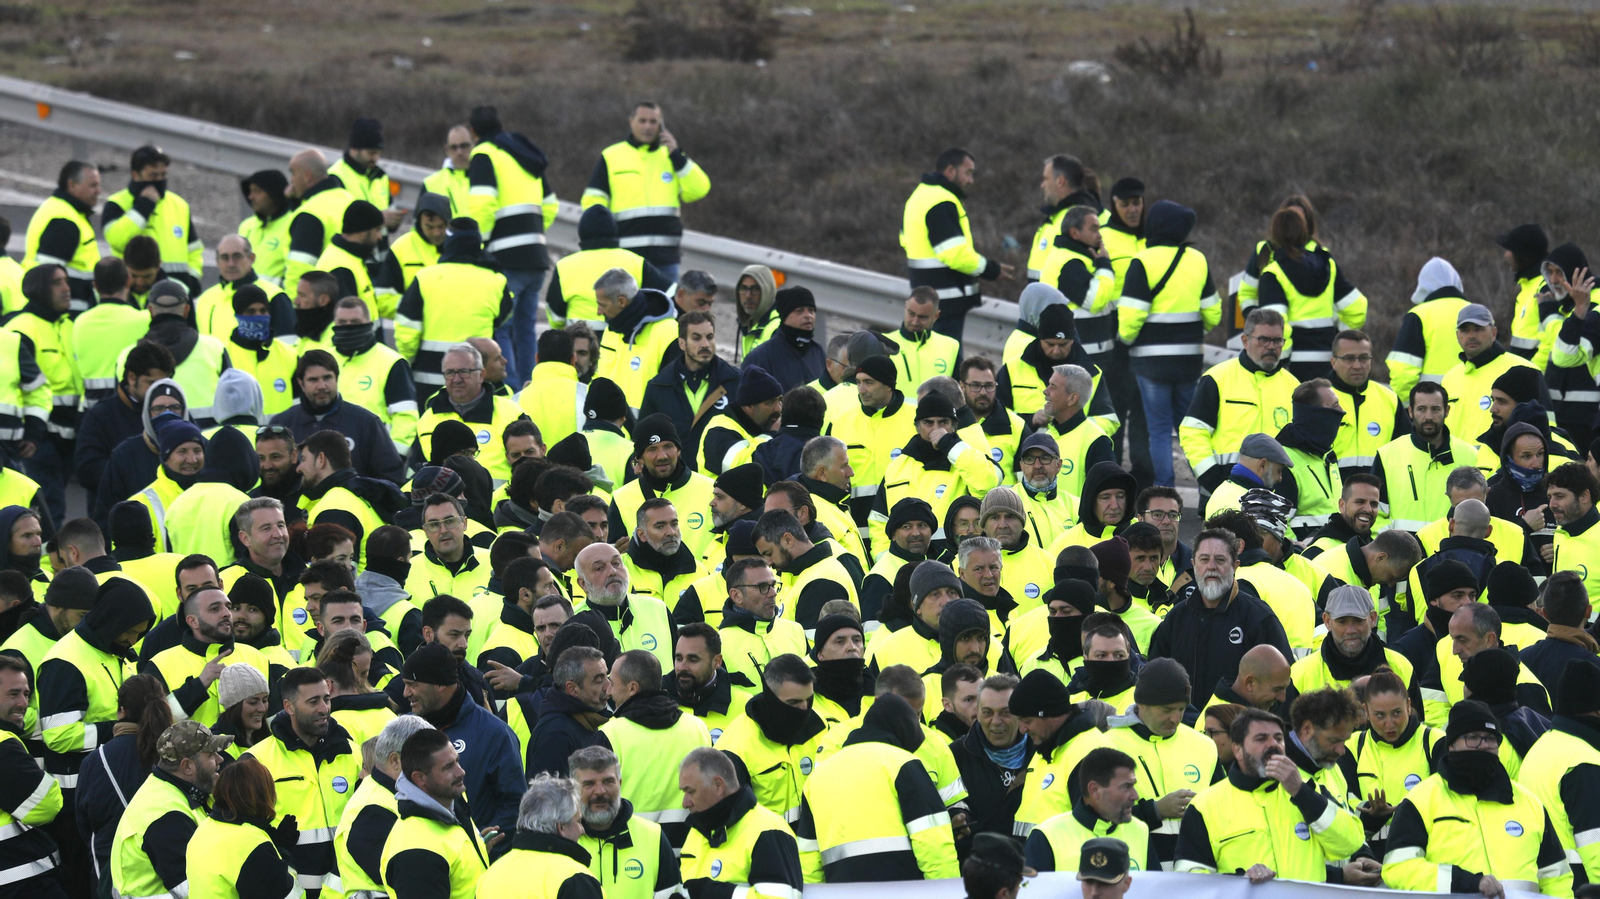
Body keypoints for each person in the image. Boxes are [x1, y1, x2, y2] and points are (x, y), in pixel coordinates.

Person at [1384, 701, 1572, 896]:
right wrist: (1465, 882)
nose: (1483, 746)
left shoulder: (1530, 804)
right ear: (1451, 744)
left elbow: (1557, 879)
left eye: (1490, 739)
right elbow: (1397, 869)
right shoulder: (1420, 802)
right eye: (1473, 738)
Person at [1173, 708, 1365, 882]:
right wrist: (1240, 882)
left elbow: (1350, 843)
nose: (1273, 744)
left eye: (1278, 738)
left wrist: (1301, 793)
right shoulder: (1205, 806)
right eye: (1261, 739)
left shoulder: (1309, 790)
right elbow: (1189, 880)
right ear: (1238, 750)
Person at [795, 693, 958, 881]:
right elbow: (934, 843)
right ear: (903, 735)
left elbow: (808, 861)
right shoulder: (903, 764)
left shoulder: (816, 779)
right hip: (904, 890)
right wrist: (947, 891)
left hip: (841, 891)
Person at [243, 667, 361, 895]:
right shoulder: (257, 762)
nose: (324, 708)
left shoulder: (354, 754)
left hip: (345, 891)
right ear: (289, 707)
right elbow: (245, 838)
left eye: (327, 699)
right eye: (313, 701)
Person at [1148, 529, 1293, 710]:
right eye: (1204, 559)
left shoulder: (1258, 618)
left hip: (1239, 725)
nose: (1211, 567)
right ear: (1193, 565)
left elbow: (1283, 691)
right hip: (1184, 725)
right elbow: (1154, 680)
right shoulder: (1176, 619)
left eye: (1220, 560)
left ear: (1235, 566)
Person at [583, 101, 709, 285]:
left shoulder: (672, 157)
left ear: (661, 125)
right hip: (625, 256)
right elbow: (593, 202)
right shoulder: (612, 156)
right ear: (631, 122)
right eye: (642, 121)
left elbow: (699, 189)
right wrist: (604, 240)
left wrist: (677, 154)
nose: (648, 127)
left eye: (653, 122)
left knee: (664, 304)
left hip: (665, 257)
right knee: (626, 303)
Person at [899, 148, 1013, 343]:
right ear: (951, 171)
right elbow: (955, 254)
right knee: (947, 358)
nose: (971, 180)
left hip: (924, 297)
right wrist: (991, 270)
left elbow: (905, 241)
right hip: (945, 301)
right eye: (968, 173)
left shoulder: (919, 196)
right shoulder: (942, 201)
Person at [108, 718, 228, 899]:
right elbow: (197, 891)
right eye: (211, 755)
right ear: (187, 766)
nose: (220, 759)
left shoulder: (172, 791)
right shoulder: (166, 817)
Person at [1181, 307, 1298, 493]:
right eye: (1263, 339)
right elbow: (1193, 432)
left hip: (1277, 496)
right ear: (1245, 340)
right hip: (1221, 490)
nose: (1271, 346)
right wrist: (1211, 479)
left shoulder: (1293, 386)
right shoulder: (1217, 378)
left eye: (1277, 340)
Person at [395, 219, 513, 396]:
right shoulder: (496, 280)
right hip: (474, 382)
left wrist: (408, 362)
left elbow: (407, 329)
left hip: (427, 379)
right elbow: (504, 317)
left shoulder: (425, 277)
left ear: (448, 243)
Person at [1250, 207, 1366, 381]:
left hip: (1294, 368)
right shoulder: (1328, 265)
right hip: (1330, 364)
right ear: (1305, 232)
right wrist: (1340, 336)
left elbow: (1275, 326)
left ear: (1275, 235)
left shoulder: (1273, 273)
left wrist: (1278, 364)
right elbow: (1357, 308)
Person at [380, 727, 494, 898]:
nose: (461, 772)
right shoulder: (416, 855)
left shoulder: (450, 809)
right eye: (448, 767)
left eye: (457, 761)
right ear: (420, 778)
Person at [268, 351, 406, 485]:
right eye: (313, 380)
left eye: (327, 378)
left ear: (337, 378)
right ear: (301, 383)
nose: (321, 386)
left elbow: (391, 476)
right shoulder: (282, 425)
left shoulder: (366, 422)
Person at [1009, 668, 1109, 838]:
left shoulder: (1091, 754)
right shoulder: (1045, 749)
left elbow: (1098, 832)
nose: (1022, 729)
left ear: (1053, 715)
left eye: (1027, 721)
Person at [1371, 382, 1481, 534]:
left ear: (1447, 410)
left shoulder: (1471, 456)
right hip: (1402, 547)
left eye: (1435, 409)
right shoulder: (1387, 455)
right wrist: (1391, 542)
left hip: (1451, 546)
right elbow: (1375, 512)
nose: (1428, 416)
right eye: (1421, 409)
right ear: (1410, 411)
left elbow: (1481, 511)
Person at [184, 756, 299, 899]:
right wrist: (283, 853)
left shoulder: (204, 830)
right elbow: (290, 895)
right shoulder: (251, 844)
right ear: (262, 795)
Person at [1025, 746, 1152, 874]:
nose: (1135, 796)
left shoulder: (1141, 830)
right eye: (1126, 787)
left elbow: (1153, 886)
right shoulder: (1046, 837)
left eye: (1133, 786)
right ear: (1095, 790)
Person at [0, 653, 65, 899]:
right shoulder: (3, 747)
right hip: (20, 881)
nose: (23, 703)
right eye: (13, 694)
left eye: (26, 694)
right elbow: (46, 805)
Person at [1441, 303, 1546, 444]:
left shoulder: (1524, 370)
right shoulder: (1450, 378)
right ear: (1457, 335)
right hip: (1454, 458)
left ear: (1494, 333)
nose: (1471, 335)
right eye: (1465, 330)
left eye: (1478, 329)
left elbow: (1546, 428)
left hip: (1498, 458)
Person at [1290, 585, 1414, 695]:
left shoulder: (1401, 667)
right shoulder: (1300, 675)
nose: (1350, 630)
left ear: (1372, 619)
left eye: (1358, 621)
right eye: (1342, 622)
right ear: (1327, 621)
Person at [23, 159, 102, 310]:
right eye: (93, 185)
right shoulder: (64, 221)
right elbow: (48, 276)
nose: (99, 191)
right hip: (66, 311)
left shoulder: (66, 211)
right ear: (72, 185)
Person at [527, 645, 610, 778]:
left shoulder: (585, 721)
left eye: (607, 676)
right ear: (572, 689)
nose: (608, 686)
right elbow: (547, 790)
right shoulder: (557, 736)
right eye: (599, 680)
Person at [697, 365, 780, 475]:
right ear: (748, 406)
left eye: (780, 400)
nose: (778, 408)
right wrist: (771, 435)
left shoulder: (763, 424)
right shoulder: (718, 430)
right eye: (770, 403)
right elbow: (745, 469)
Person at [742, 287, 826, 392]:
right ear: (785, 315)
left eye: (811, 310)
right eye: (799, 311)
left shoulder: (818, 352)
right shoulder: (760, 358)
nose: (808, 316)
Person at [893, 286, 963, 392]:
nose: (915, 322)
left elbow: (960, 395)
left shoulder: (951, 347)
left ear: (936, 316)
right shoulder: (884, 344)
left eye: (922, 317)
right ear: (905, 307)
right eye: (911, 314)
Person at [1547, 462, 1600, 600]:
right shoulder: (1561, 532)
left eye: (1559, 496)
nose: (1552, 505)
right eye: (1550, 497)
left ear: (1584, 496)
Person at [238, 169, 293, 287]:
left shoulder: (293, 224)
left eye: (257, 191)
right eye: (250, 191)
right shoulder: (246, 226)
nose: (250, 197)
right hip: (243, 296)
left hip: (277, 297)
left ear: (274, 194)